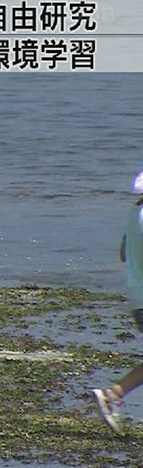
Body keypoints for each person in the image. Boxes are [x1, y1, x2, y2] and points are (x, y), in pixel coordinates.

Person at [93, 165, 143, 433]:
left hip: (137, 298)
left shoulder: (134, 213)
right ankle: (113, 394)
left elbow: (124, 253)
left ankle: (113, 394)